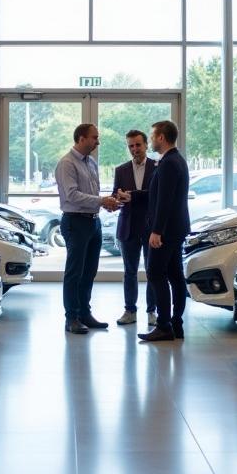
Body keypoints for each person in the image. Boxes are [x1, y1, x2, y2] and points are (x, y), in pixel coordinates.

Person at [56, 123, 122, 334]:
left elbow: (93, 193)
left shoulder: (91, 162)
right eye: (94, 137)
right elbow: (72, 195)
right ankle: (71, 318)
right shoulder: (67, 163)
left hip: (93, 222)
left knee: (89, 271)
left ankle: (84, 313)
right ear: (81, 138)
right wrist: (102, 200)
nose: (98, 142)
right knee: (74, 273)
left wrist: (106, 203)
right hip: (75, 222)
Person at [139, 119, 190, 342]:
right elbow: (157, 194)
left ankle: (163, 325)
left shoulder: (169, 163)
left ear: (161, 137)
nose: (150, 139)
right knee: (175, 275)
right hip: (176, 228)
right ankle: (176, 323)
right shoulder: (176, 159)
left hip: (166, 230)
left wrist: (156, 231)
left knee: (155, 273)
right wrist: (132, 196)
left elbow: (165, 201)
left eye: (152, 135)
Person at [112, 129, 157, 327]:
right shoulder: (120, 170)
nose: (135, 149)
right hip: (128, 227)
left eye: (138, 145)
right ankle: (130, 310)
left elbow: (157, 195)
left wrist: (135, 196)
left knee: (152, 271)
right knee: (129, 271)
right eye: (131, 145)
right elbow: (116, 194)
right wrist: (118, 197)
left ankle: (152, 312)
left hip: (150, 227)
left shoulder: (158, 167)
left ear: (146, 145)